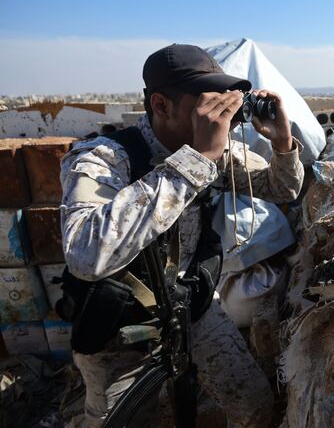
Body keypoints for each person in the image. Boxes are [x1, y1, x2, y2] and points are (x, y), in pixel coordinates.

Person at [59, 44, 304, 427]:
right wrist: (194, 161)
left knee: (254, 403)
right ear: (161, 105)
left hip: (190, 304)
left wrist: (282, 144)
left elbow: (281, 189)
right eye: (209, 101)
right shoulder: (104, 159)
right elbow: (86, 256)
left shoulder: (212, 154)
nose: (222, 112)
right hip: (120, 327)